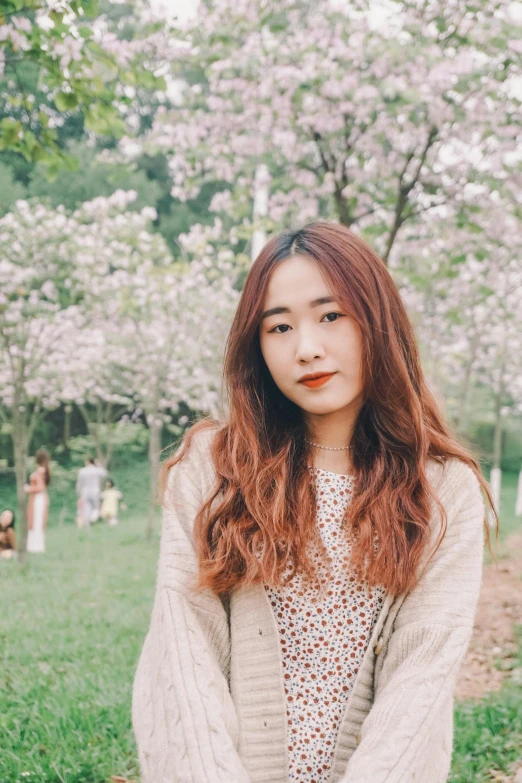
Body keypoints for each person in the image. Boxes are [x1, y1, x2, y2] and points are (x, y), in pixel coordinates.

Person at [132, 222, 497, 783]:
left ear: (377, 319)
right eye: (279, 327)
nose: (306, 348)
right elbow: (185, 656)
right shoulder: (213, 467)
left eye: (331, 316)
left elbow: (419, 681)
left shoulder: (443, 491)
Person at [25, 448, 51, 554]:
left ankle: (36, 546)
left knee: (37, 521)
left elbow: (40, 487)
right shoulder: (42, 470)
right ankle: (33, 545)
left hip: (38, 499)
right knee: (34, 520)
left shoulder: (40, 471)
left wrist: (28, 489)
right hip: (37, 498)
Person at [76, 458, 107, 526]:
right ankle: (93, 518)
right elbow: (104, 473)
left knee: (86, 508)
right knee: (96, 507)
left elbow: (79, 483)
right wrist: (98, 464)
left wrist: (78, 492)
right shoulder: (97, 470)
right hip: (95, 491)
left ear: (88, 462)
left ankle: (87, 524)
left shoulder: (82, 471)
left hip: (85, 492)